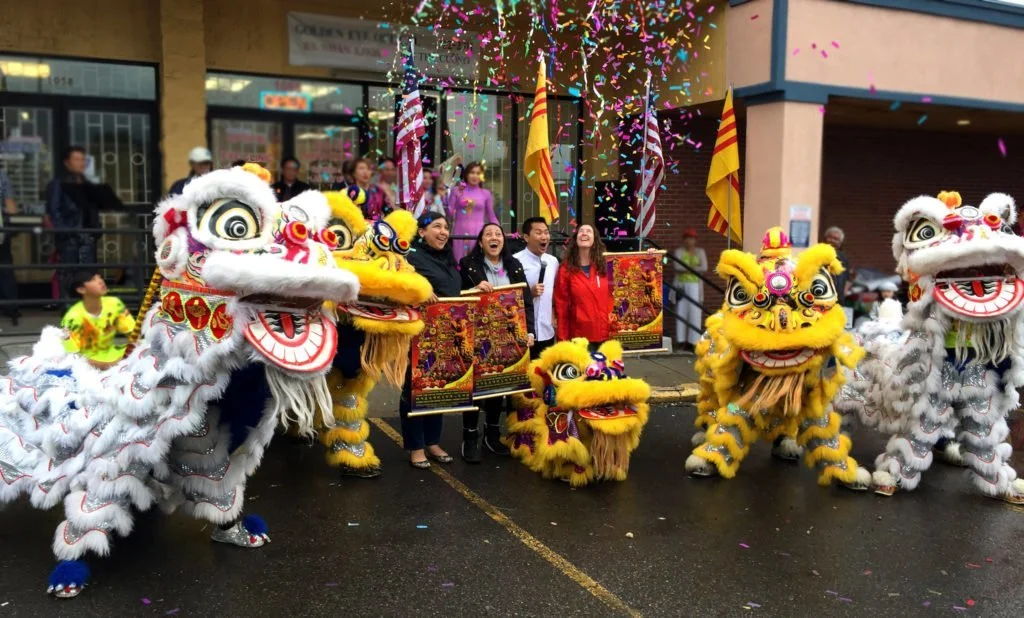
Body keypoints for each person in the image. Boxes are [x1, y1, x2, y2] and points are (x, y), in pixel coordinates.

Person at [459, 223, 536, 462]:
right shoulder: (467, 265)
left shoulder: (513, 265)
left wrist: (529, 331)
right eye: (488, 234)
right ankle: (470, 436)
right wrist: (473, 289)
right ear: (480, 242)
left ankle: (492, 434)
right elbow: (456, 296)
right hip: (478, 334)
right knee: (474, 389)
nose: (494, 238)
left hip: (508, 335)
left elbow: (525, 301)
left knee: (499, 385)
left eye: (498, 234)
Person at [403, 212, 460, 469]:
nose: (443, 231)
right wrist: (420, 293)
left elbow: (453, 292)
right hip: (418, 333)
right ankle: (416, 446)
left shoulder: (448, 258)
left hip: (446, 332)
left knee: (439, 384)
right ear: (422, 232)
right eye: (437, 226)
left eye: (446, 227)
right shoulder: (411, 258)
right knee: (414, 387)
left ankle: (432, 441)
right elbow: (400, 289)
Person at [46, 146, 103, 303]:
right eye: (76, 159)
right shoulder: (58, 183)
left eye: (83, 159)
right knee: (68, 274)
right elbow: (54, 210)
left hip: (87, 235)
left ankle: (89, 308)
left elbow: (93, 209)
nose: (80, 163)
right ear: (67, 162)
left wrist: (97, 229)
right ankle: (68, 308)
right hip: (69, 236)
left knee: (88, 274)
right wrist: (64, 231)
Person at [60, 271, 136, 370]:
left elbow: (134, 335)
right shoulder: (71, 318)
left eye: (100, 277)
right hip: (88, 362)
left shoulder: (114, 304)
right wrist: (110, 365)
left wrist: (136, 352)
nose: (100, 281)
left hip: (113, 354)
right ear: (81, 289)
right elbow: (74, 357)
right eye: (93, 280)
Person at [554, 224, 612, 347]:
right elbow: (562, 306)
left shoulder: (608, 265)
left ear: (595, 239)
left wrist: (651, 257)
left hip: (608, 335)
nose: (584, 233)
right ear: (575, 239)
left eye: (589, 231)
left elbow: (631, 277)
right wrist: (562, 340)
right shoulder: (565, 269)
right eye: (581, 231)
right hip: (580, 338)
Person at [514, 217, 559, 358]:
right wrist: (529, 293)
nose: (544, 237)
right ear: (526, 237)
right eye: (538, 233)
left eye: (546, 232)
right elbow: (509, 296)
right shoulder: (516, 261)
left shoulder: (553, 262)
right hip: (525, 332)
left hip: (547, 330)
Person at [448, 161, 498, 262]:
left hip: (479, 234)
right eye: (472, 172)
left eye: (478, 173)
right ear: (466, 174)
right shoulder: (456, 190)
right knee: (459, 263)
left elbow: (491, 216)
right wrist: (456, 196)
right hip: (459, 233)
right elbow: (449, 213)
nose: (475, 176)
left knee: (478, 263)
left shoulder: (485, 193)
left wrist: (498, 232)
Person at [672, 228, 707, 351]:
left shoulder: (700, 252)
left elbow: (704, 267)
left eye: (692, 238)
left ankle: (693, 342)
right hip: (681, 285)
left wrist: (687, 267)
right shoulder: (679, 252)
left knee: (695, 313)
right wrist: (694, 267)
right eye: (687, 238)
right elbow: (677, 266)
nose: (690, 241)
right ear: (684, 240)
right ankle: (681, 341)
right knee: (681, 312)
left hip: (695, 285)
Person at [0, 170, 20, 325]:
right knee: (5, 268)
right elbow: (10, 204)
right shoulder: (2, 175)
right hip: (1, 232)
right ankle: (11, 308)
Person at [823, 226, 851, 304]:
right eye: (830, 237)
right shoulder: (818, 253)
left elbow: (847, 279)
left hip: (837, 299)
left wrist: (843, 293)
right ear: (825, 238)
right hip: (821, 297)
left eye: (836, 239)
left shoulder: (843, 258)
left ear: (840, 243)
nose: (832, 240)